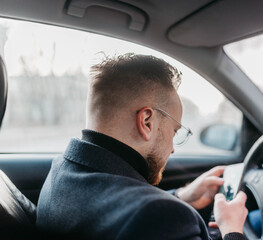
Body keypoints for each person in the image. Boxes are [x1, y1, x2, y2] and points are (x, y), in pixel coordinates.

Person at [36, 53, 248, 239]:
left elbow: (121, 207)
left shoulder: (60, 172)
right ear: (147, 122)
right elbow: (146, 214)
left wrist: (181, 196)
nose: (173, 148)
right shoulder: (166, 218)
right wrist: (231, 229)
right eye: (174, 131)